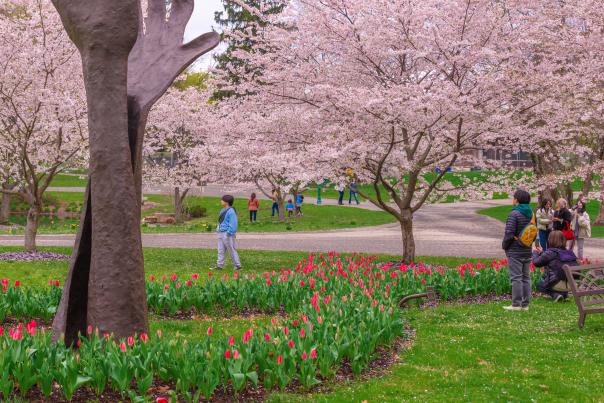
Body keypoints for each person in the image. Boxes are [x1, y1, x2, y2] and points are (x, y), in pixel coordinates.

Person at [502, 189, 534, 311]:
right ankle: (525, 304)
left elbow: (509, 233)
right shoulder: (531, 213)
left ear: (517, 200)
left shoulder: (514, 214)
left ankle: (516, 304)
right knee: (526, 277)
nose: (513, 199)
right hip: (527, 249)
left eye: (514, 197)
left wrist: (505, 245)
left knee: (516, 278)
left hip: (515, 250)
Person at [533, 230, 578, 301]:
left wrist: (535, 253)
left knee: (537, 282)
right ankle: (564, 294)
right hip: (572, 284)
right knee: (557, 275)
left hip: (557, 284)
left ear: (550, 240)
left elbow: (536, 263)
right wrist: (542, 253)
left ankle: (555, 294)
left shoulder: (550, 252)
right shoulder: (570, 252)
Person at [211, 195, 241, 271]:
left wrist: (229, 233)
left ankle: (237, 265)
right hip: (220, 232)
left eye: (222, 200)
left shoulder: (231, 211)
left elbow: (233, 224)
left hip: (228, 234)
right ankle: (219, 265)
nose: (221, 201)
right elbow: (221, 221)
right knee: (220, 250)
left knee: (231, 249)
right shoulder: (222, 210)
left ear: (226, 202)